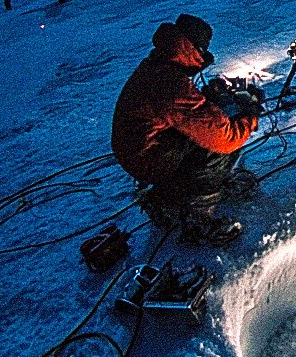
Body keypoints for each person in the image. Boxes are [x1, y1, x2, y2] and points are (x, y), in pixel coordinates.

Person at [111, 14, 259, 245]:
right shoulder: (168, 83)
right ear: (193, 49)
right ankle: (195, 217)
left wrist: (210, 99)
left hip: (141, 149)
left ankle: (168, 194)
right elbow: (224, 137)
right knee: (218, 144)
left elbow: (180, 109)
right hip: (148, 157)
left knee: (210, 122)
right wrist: (249, 115)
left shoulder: (158, 67)